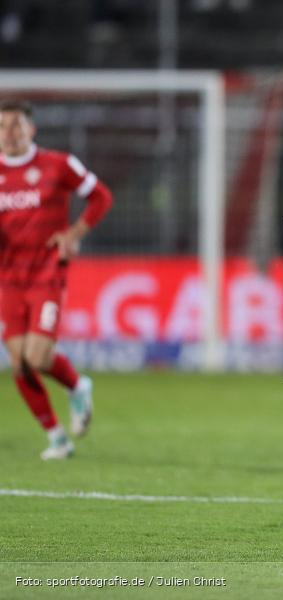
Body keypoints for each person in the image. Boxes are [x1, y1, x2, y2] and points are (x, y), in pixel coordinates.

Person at [0, 100, 113, 459]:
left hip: (47, 271)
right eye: (2, 126)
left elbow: (100, 196)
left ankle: (78, 386)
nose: (9, 133)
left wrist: (74, 233)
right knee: (18, 362)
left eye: (16, 125)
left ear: (31, 129)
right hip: (8, 277)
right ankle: (56, 437)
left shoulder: (58, 164)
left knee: (35, 356)